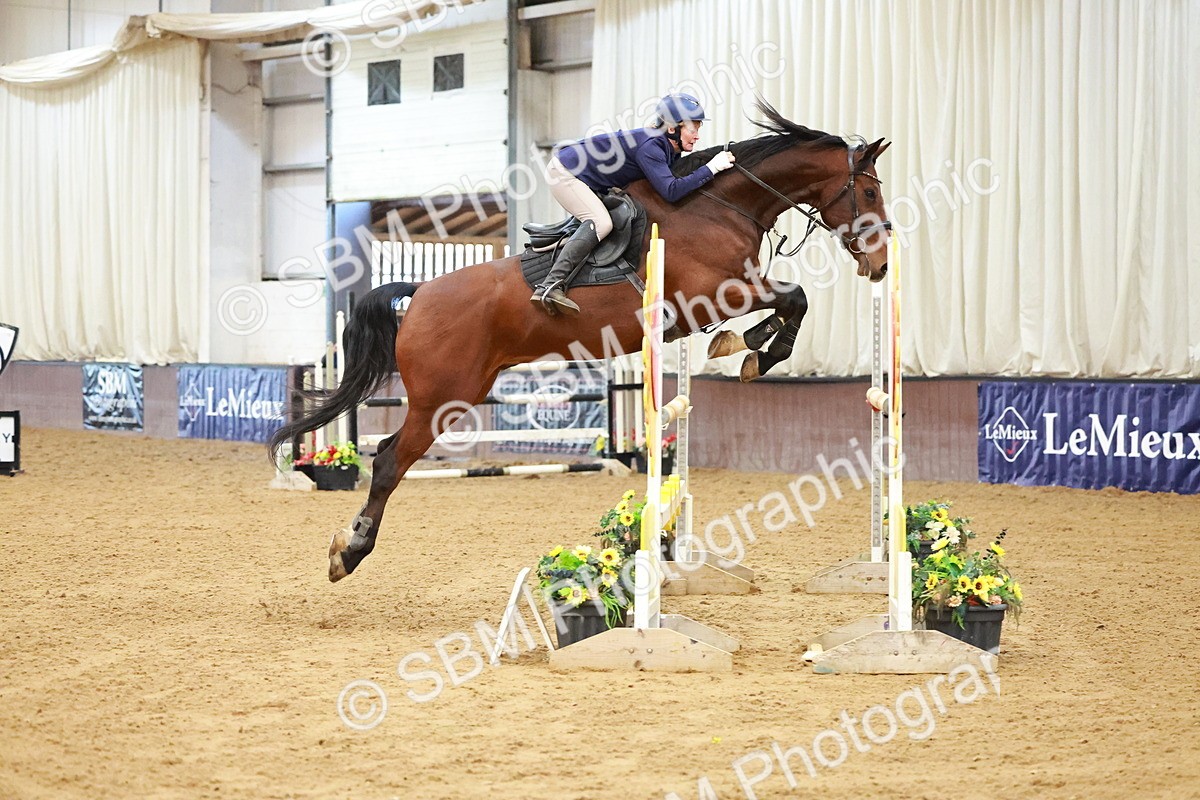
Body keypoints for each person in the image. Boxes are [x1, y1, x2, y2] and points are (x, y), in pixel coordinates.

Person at [531, 93, 737, 315]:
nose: (697, 136)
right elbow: (672, 191)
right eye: (692, 129)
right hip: (565, 173)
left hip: (585, 176)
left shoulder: (665, 147)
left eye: (698, 129)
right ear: (671, 129)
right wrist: (711, 168)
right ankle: (550, 285)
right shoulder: (651, 147)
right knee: (601, 223)